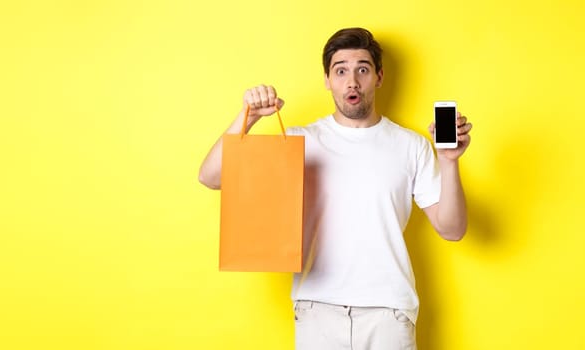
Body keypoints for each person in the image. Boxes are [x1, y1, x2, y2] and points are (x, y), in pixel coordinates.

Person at [197, 27, 472, 349]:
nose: (352, 81)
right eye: (340, 71)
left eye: (362, 70)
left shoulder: (412, 146)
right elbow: (212, 176)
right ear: (327, 79)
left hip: (388, 312)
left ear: (379, 77)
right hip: (317, 309)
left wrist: (450, 161)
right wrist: (248, 117)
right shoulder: (300, 142)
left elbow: (452, 229)